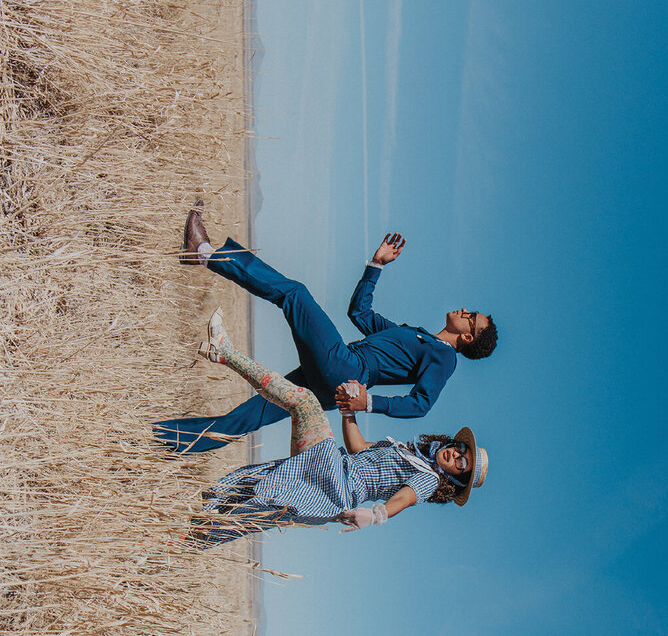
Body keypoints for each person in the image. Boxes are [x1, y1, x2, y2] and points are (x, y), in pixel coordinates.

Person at [153, 201, 497, 452]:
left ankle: (203, 253)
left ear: (466, 336)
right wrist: (375, 265)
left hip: (345, 371)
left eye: (471, 317)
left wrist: (369, 404)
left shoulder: (444, 358)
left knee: (295, 295)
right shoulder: (415, 335)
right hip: (334, 380)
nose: (465, 310)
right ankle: (162, 441)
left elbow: (421, 404)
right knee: (252, 414)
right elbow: (360, 314)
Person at [188, 310, 488, 547]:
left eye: (462, 464)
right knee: (255, 501)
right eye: (461, 450)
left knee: (302, 405)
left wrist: (375, 515)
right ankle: (188, 537)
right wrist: (348, 409)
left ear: (454, 477)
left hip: (334, 488)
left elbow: (404, 499)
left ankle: (224, 352)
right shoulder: (408, 452)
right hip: (331, 465)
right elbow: (358, 448)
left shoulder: (429, 480)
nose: (457, 456)